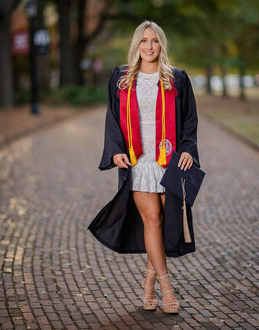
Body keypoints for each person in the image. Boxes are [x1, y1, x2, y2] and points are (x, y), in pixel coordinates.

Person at [87, 20, 200, 314]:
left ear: (161, 45)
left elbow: (189, 120)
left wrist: (188, 150)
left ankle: (148, 282)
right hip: (139, 161)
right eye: (144, 41)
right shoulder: (121, 78)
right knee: (152, 221)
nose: (149, 46)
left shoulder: (177, 79)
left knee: (165, 222)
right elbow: (112, 119)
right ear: (136, 45)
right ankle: (166, 288)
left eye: (155, 41)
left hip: (169, 160)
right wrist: (114, 153)